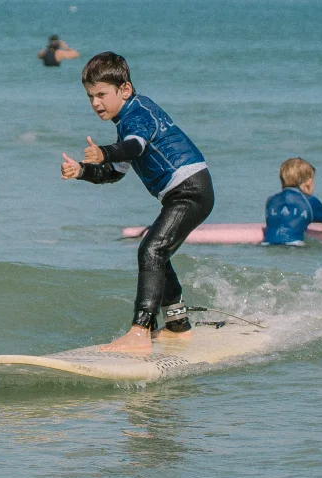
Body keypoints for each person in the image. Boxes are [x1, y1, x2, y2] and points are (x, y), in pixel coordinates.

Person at [58, 51, 215, 353]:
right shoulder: (124, 123)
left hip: (191, 189)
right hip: (183, 192)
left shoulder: (139, 112)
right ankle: (178, 326)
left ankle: (140, 332)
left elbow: (133, 146)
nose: (96, 103)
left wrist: (105, 151)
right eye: (90, 96)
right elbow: (115, 172)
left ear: (125, 90)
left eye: (102, 94)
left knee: (151, 250)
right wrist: (82, 171)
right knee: (158, 252)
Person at [262, 157, 322, 246]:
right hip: (294, 248)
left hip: (267, 246)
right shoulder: (310, 201)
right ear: (309, 182)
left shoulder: (270, 200)